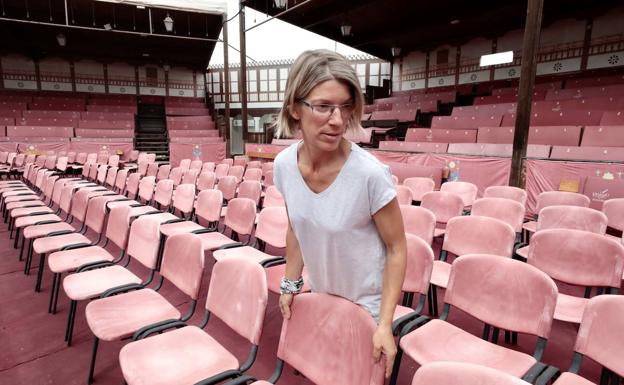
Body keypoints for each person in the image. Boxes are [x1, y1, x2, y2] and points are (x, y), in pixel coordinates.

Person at [273, 49, 407, 378]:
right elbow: (296, 230)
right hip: (323, 297)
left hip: (368, 310)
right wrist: (290, 285)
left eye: (345, 107)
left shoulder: (370, 175)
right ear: (295, 107)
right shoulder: (284, 166)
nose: (337, 120)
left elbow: (397, 248)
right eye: (323, 106)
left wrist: (386, 323)